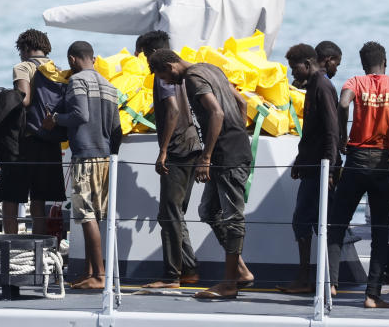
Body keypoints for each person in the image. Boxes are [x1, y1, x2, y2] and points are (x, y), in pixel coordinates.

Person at [149, 49, 256, 300]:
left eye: (162, 75)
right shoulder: (212, 68)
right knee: (208, 211)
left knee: (232, 217)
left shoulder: (192, 78)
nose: (165, 82)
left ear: (170, 65)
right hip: (231, 149)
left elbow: (217, 113)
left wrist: (206, 157)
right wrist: (236, 134)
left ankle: (229, 283)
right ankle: (240, 271)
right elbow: (242, 103)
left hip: (226, 156)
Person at [327, 42, 389, 309]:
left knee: (337, 223)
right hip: (384, 163)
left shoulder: (355, 81)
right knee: (381, 231)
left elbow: (343, 103)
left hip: (356, 160)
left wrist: (343, 137)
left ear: (364, 63)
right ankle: (372, 295)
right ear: (385, 62)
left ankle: (331, 283)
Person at [42, 41, 122, 289]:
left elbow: (80, 115)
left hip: (85, 156)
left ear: (72, 59)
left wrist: (55, 119)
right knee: (96, 217)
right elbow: (117, 129)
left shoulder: (78, 81)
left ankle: (99, 276)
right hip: (105, 157)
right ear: (94, 59)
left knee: (86, 216)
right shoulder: (109, 86)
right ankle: (89, 272)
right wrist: (112, 154)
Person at [136, 31, 202, 289]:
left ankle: (172, 275)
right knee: (176, 213)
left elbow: (173, 109)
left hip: (177, 149)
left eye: (142, 55)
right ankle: (190, 269)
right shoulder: (183, 71)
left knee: (169, 214)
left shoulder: (162, 74)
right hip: (192, 145)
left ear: (151, 53)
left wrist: (163, 150)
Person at [279, 43, 338, 294]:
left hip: (321, 169)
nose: (294, 75)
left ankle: (307, 279)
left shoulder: (322, 87)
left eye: (295, 69)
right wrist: (300, 161)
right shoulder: (313, 85)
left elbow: (331, 131)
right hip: (311, 166)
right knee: (307, 221)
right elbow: (312, 133)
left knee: (303, 220)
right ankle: (313, 279)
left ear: (307, 64)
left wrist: (331, 170)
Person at [0, 29, 67, 235]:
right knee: (39, 199)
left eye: (20, 50)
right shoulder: (57, 69)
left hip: (25, 141)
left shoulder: (23, 67)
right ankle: (39, 247)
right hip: (50, 140)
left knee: (10, 197)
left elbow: (24, 99)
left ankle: (11, 245)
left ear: (26, 48)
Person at [315, 41, 345, 153]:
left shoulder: (304, 80)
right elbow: (332, 125)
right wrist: (333, 159)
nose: (336, 70)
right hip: (323, 152)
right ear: (329, 60)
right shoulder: (325, 84)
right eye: (336, 64)